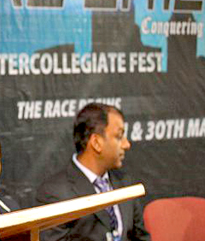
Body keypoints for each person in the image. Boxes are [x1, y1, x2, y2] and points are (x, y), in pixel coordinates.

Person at [35, 103, 151, 241]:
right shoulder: (55, 193)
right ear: (96, 143)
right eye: (119, 136)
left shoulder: (125, 183)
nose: (127, 144)